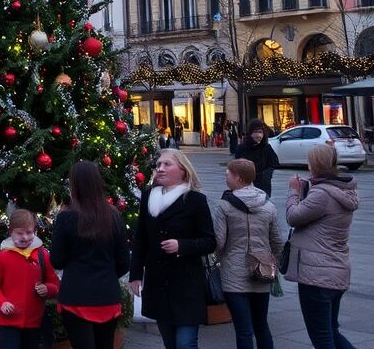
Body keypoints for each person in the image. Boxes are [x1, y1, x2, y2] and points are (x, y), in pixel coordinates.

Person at [130, 149, 216, 349]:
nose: (160, 168)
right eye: (158, 164)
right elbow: (140, 238)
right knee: (170, 343)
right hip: (158, 283)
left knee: (185, 343)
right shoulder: (149, 197)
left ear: (183, 170)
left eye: (167, 164)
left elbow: (210, 241)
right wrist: (135, 275)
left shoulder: (195, 200)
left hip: (186, 284)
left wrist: (182, 246)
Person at [285, 145, 360, 349]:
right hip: (336, 270)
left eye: (310, 161)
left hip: (316, 275)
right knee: (331, 332)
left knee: (322, 337)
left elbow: (293, 217)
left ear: (316, 164)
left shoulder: (322, 194)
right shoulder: (342, 188)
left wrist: (293, 191)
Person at [49, 160, 130, 349]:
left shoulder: (66, 217)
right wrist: (107, 274)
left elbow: (57, 260)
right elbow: (124, 261)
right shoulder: (113, 215)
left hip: (76, 296)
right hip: (107, 294)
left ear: (74, 185)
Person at [212, 158, 284, 349]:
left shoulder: (224, 206)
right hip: (262, 270)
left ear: (239, 178)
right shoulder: (268, 205)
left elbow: (219, 241)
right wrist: (275, 263)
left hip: (233, 273)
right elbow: (277, 241)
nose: (226, 176)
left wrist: (214, 256)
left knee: (243, 329)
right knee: (261, 325)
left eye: (228, 173)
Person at [0, 208, 60, 349]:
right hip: (8, 321)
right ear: (11, 232)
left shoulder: (42, 254)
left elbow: (55, 284)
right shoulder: (2, 257)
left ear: (35, 231)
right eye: (19, 233)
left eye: (29, 232)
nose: (25, 237)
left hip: (34, 322)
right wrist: (2, 303)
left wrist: (48, 289)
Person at [234, 119, 279, 197]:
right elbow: (237, 166)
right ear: (250, 133)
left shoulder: (267, 148)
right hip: (246, 186)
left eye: (260, 132)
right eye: (255, 132)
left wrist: (266, 175)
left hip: (263, 187)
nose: (258, 135)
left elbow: (274, 163)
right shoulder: (242, 148)